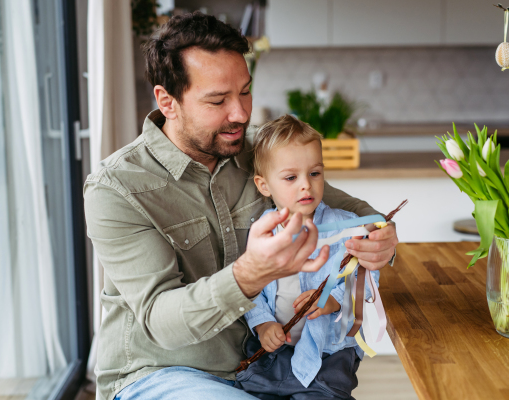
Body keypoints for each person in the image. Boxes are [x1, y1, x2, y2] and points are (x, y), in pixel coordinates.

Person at [83, 12, 398, 400]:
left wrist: (379, 234)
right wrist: (249, 275)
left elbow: (349, 209)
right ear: (168, 101)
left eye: (245, 91)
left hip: (266, 365)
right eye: (218, 100)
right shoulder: (116, 188)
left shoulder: (258, 151)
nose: (241, 114)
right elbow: (160, 322)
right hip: (163, 373)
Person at [234, 115, 379, 399]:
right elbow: (250, 289)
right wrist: (263, 324)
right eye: (291, 177)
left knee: (324, 394)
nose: (306, 185)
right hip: (277, 349)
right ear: (264, 186)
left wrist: (333, 299)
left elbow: (365, 274)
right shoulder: (262, 234)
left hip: (329, 351)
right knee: (255, 389)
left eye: (315, 173)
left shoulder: (346, 226)